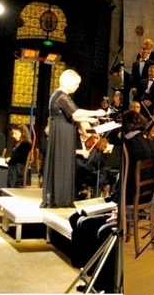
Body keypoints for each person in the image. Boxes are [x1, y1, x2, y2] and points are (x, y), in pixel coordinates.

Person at [41, 70, 106, 208]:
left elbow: (73, 116)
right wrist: (96, 112)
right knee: (62, 162)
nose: (77, 86)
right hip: (62, 132)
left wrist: (91, 119)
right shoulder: (62, 96)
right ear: (70, 81)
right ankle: (60, 198)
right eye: (76, 83)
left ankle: (61, 197)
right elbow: (76, 113)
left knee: (63, 163)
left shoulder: (59, 95)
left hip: (62, 130)